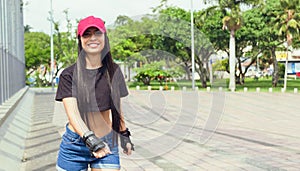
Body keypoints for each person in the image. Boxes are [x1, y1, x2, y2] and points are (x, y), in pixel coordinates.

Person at [55, 15, 134, 171]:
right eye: (87, 34)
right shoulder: (69, 74)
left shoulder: (114, 71)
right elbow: (73, 115)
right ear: (80, 39)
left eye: (97, 33)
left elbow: (117, 109)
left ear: (105, 37)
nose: (93, 38)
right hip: (75, 145)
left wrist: (124, 135)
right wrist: (91, 140)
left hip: (106, 141)